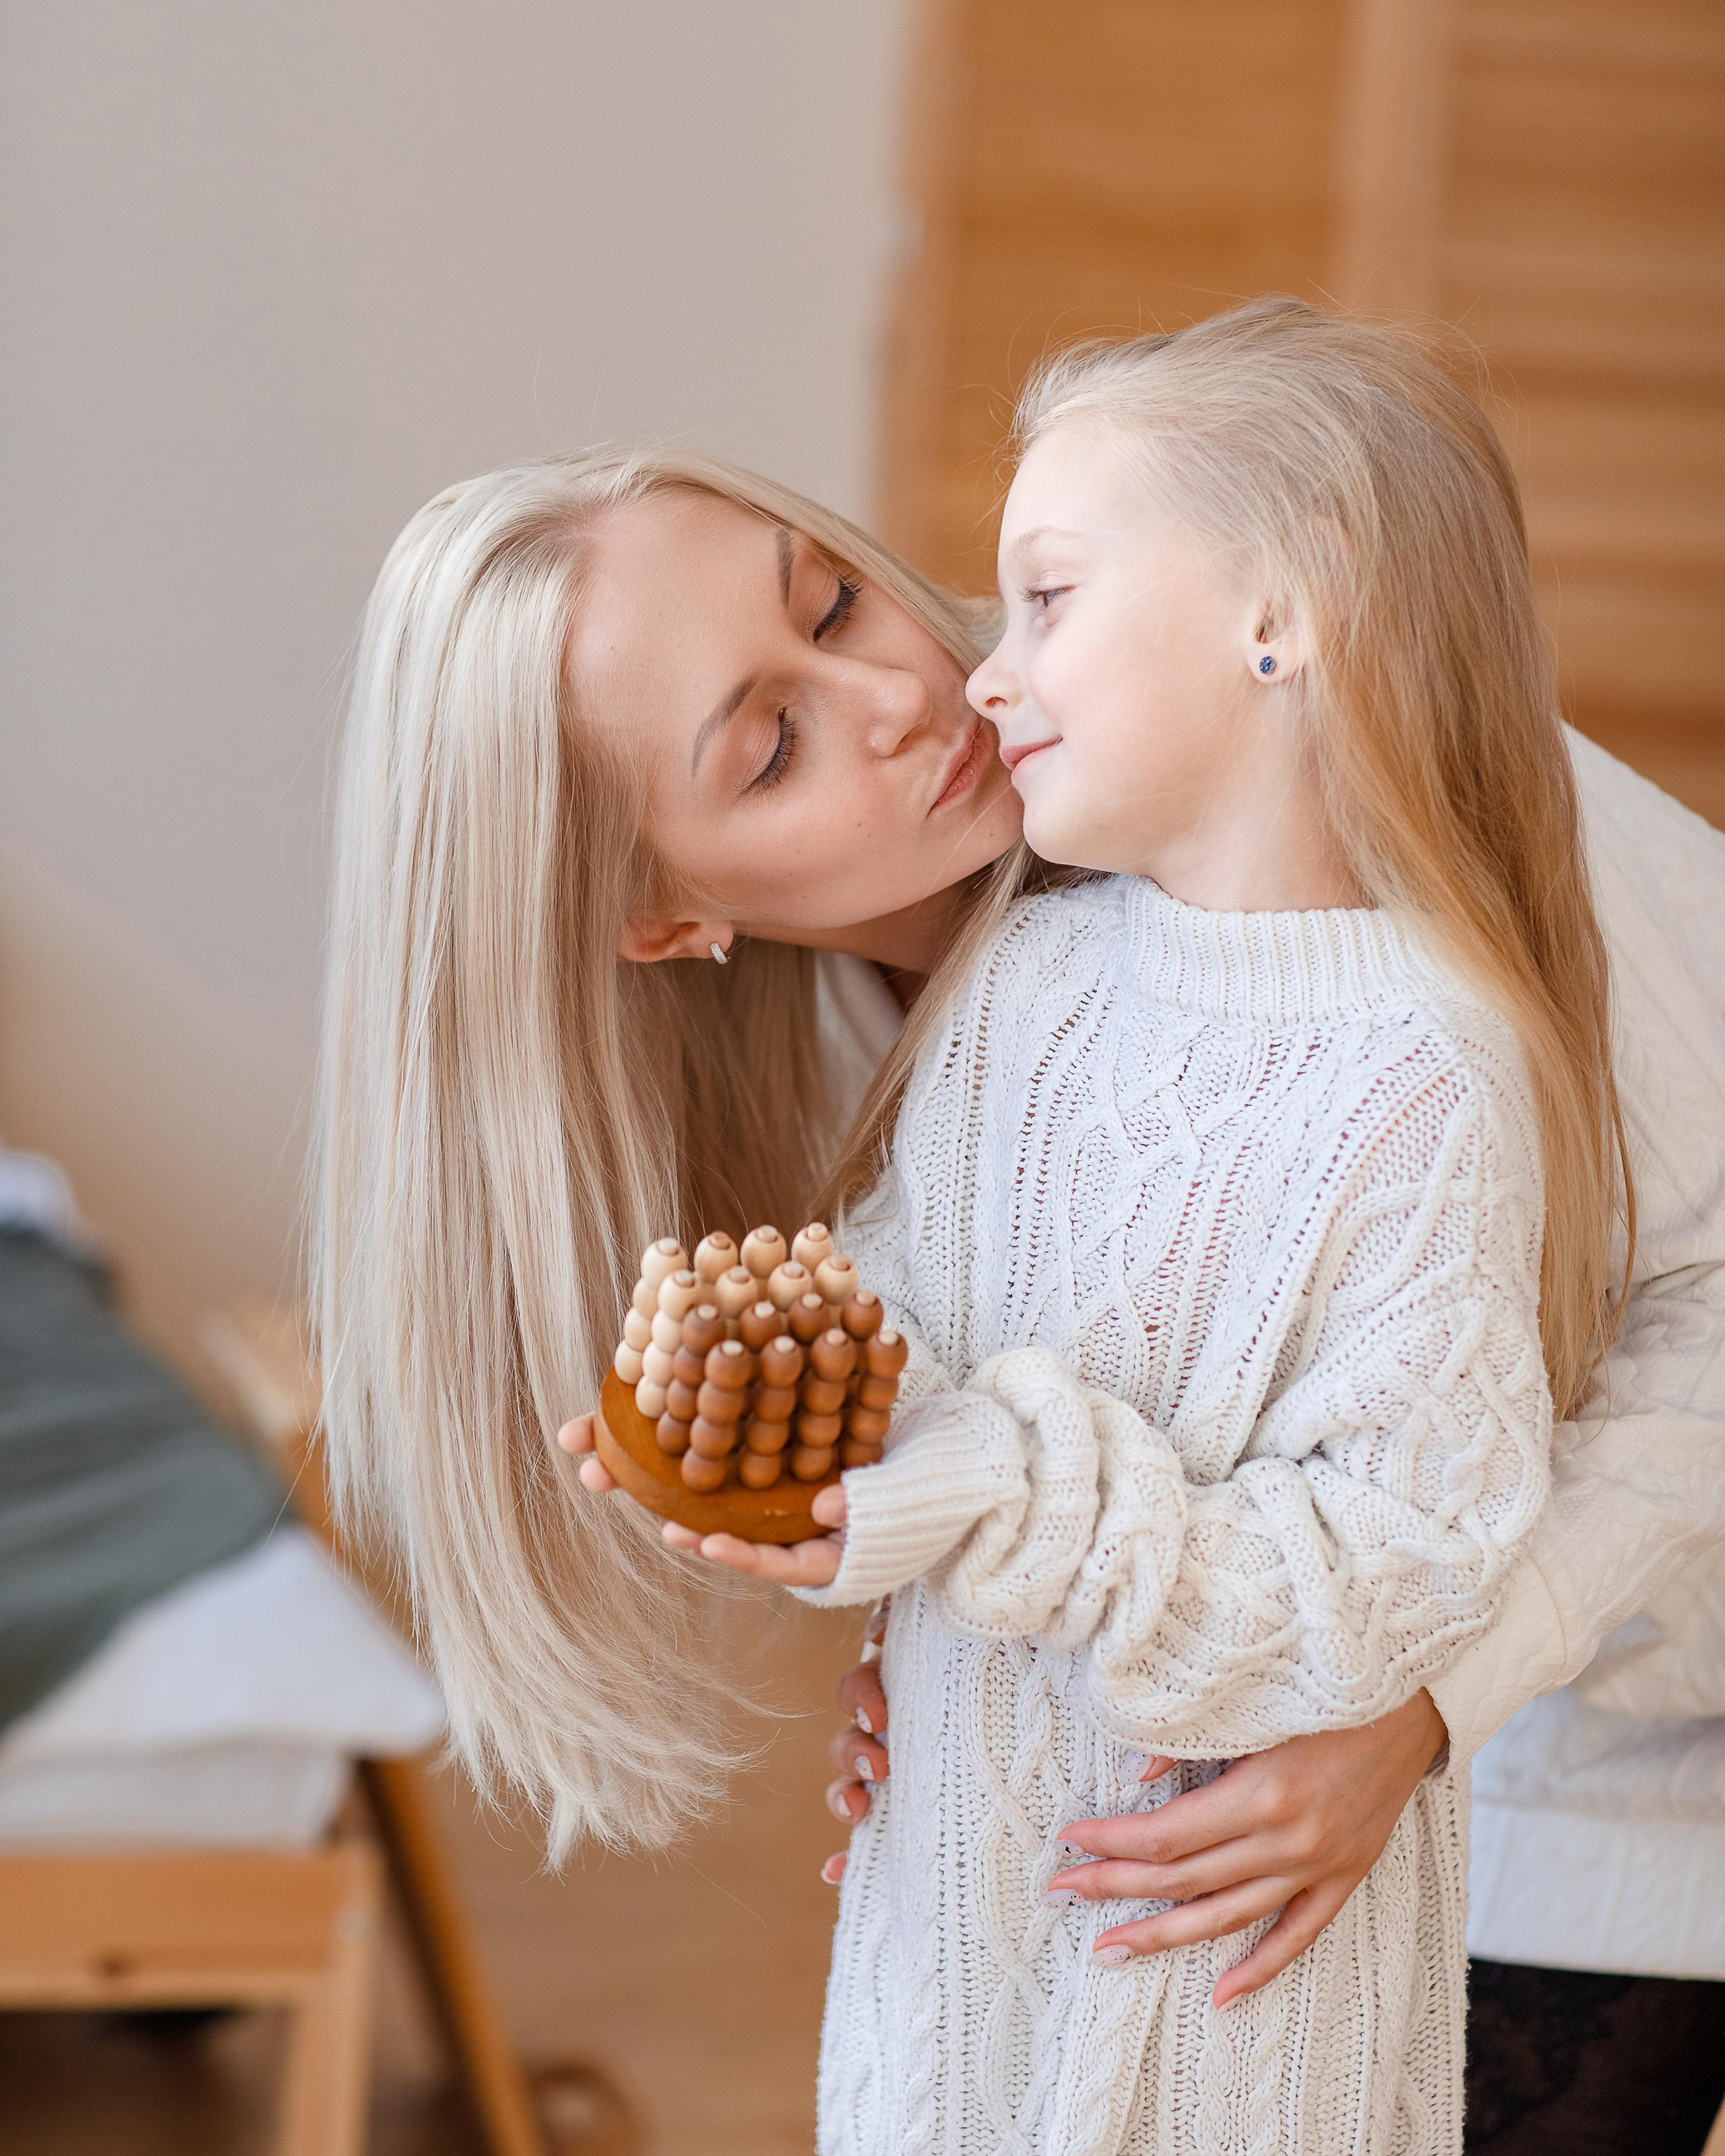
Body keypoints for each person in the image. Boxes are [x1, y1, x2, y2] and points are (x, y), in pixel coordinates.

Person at [313, 331, 1725, 2131]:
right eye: (770, 747)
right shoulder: (983, 1048)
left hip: (1624, 1741)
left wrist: (1423, 1705)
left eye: (827, 604)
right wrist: (972, 1673)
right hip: (1226, 1814)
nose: (906, 693)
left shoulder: (1370, 762)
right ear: (666, 919)